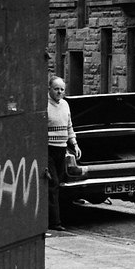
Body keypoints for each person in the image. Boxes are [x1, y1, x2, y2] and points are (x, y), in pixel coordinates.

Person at [47, 76, 80, 231]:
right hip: (48, 149)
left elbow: (69, 126)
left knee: (58, 184)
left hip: (62, 148)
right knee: (52, 184)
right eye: (56, 89)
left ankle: (54, 218)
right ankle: (54, 223)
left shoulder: (65, 104)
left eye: (62, 89)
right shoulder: (44, 105)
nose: (59, 92)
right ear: (50, 89)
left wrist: (75, 144)